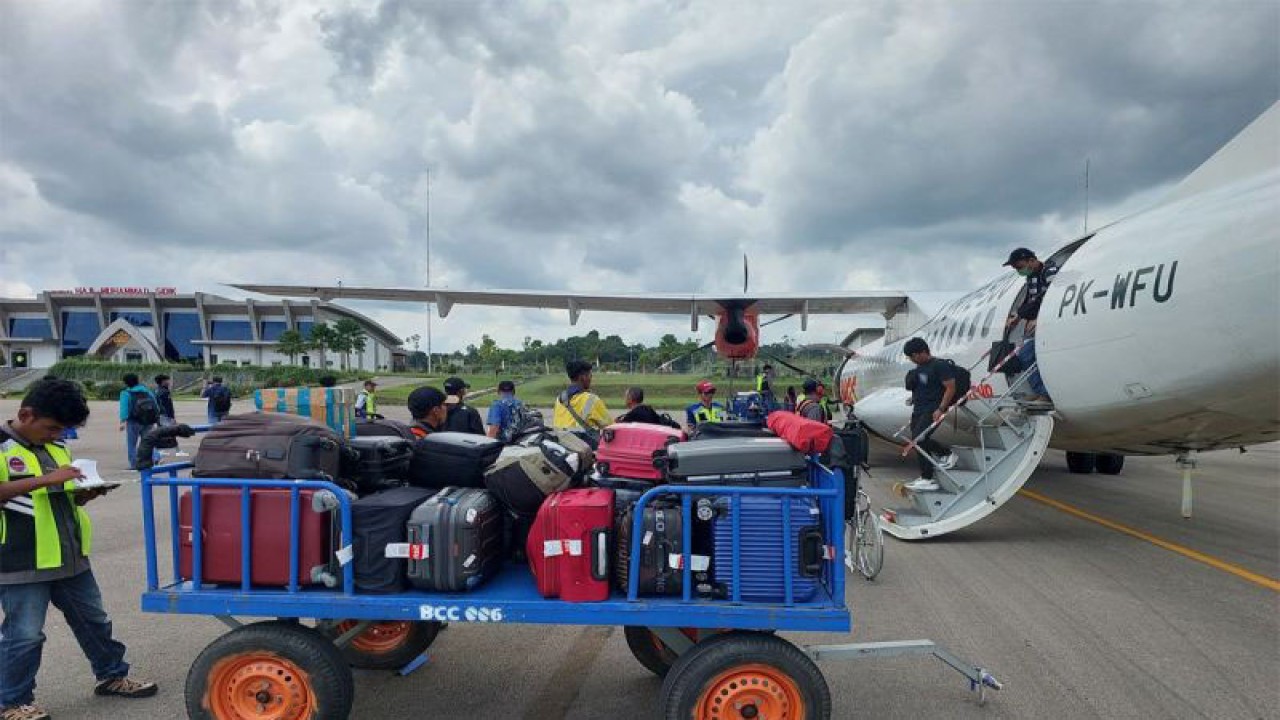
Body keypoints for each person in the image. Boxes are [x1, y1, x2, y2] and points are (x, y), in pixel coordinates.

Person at [1, 379, 158, 720]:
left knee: (94, 621)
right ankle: (13, 702)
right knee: (24, 635)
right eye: (52, 428)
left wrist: (85, 493)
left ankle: (112, 676)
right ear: (26, 414)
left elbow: (59, 494)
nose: (57, 435)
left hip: (69, 554)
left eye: (64, 430)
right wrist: (47, 479)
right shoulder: (1, 447)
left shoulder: (57, 448)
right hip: (20, 561)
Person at [1003, 247, 1059, 404]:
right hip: (1035, 324)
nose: (1018, 271)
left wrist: (1039, 318)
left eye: (1019, 267)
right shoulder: (1031, 278)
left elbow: (1050, 297)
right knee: (1025, 356)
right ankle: (1040, 391)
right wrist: (1018, 316)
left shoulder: (1050, 272)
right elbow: (1030, 299)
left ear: (1032, 261)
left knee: (1026, 354)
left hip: (1047, 322)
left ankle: (1044, 393)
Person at [901, 338, 958, 492]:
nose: (912, 359)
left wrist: (941, 408)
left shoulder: (940, 365)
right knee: (916, 440)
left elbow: (950, 388)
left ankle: (929, 478)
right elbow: (922, 388)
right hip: (919, 409)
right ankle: (944, 456)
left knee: (918, 439)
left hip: (933, 409)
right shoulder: (919, 369)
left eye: (913, 356)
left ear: (922, 352)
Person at [552, 361, 611, 446]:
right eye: (590, 375)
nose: (591, 379)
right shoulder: (592, 399)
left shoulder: (559, 399)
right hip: (584, 449)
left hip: (562, 446)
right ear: (582, 377)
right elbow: (610, 427)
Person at [117, 373, 158, 470]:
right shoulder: (147, 391)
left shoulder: (126, 393)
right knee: (148, 441)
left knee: (132, 444)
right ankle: (154, 458)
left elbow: (124, 408)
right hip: (148, 420)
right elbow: (155, 405)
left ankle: (134, 464)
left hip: (133, 421)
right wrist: (155, 418)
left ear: (126, 382)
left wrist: (123, 421)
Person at [615, 387, 680, 428]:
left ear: (630, 399)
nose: (624, 399)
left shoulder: (632, 415)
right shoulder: (649, 410)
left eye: (626, 397)